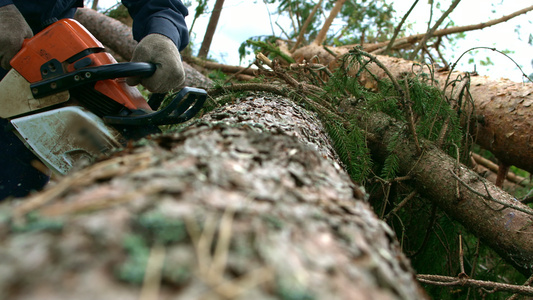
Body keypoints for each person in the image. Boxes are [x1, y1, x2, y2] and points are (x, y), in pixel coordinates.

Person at [0, 0, 190, 200]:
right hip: (11, 28)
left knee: (17, 183)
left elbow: (159, 4)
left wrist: (164, 33)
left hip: (44, 56)